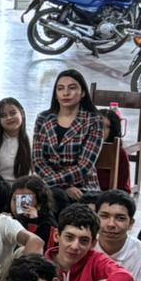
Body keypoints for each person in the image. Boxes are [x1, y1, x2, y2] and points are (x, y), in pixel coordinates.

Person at [46, 203, 137, 281]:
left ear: (93, 244)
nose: (75, 246)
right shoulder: (41, 264)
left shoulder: (95, 260)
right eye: (69, 237)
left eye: (84, 241)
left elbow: (125, 278)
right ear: (57, 236)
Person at [33, 69, 104, 203]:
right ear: (55, 94)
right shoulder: (43, 118)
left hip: (83, 187)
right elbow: (38, 160)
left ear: (83, 92)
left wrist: (52, 183)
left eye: (72, 88)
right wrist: (63, 186)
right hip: (49, 185)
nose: (65, 93)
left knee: (55, 197)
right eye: (60, 89)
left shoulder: (94, 121)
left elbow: (84, 166)